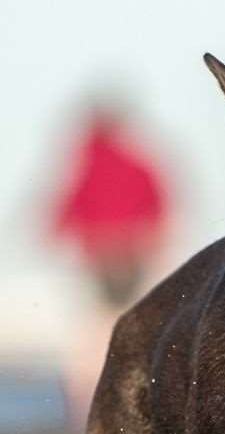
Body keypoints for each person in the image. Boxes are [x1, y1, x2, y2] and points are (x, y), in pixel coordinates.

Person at [47, 106, 167, 308]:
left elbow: (73, 200)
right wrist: (155, 232)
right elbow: (154, 199)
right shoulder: (133, 160)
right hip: (128, 245)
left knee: (109, 305)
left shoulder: (88, 163)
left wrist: (57, 228)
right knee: (129, 303)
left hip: (103, 247)